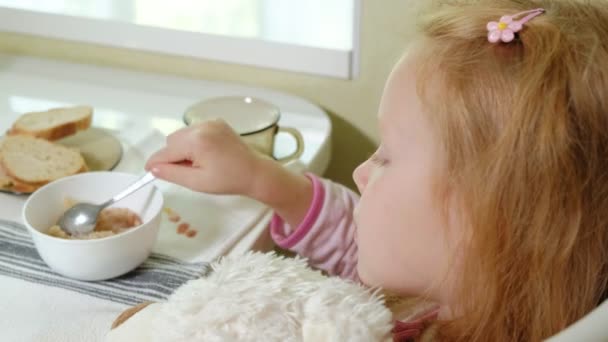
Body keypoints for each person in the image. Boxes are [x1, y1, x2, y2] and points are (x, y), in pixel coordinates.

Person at [146, 0, 608, 340]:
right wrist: (259, 177)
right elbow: (362, 240)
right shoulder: (453, 284)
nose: (363, 171)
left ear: (489, 218)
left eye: (387, 157)